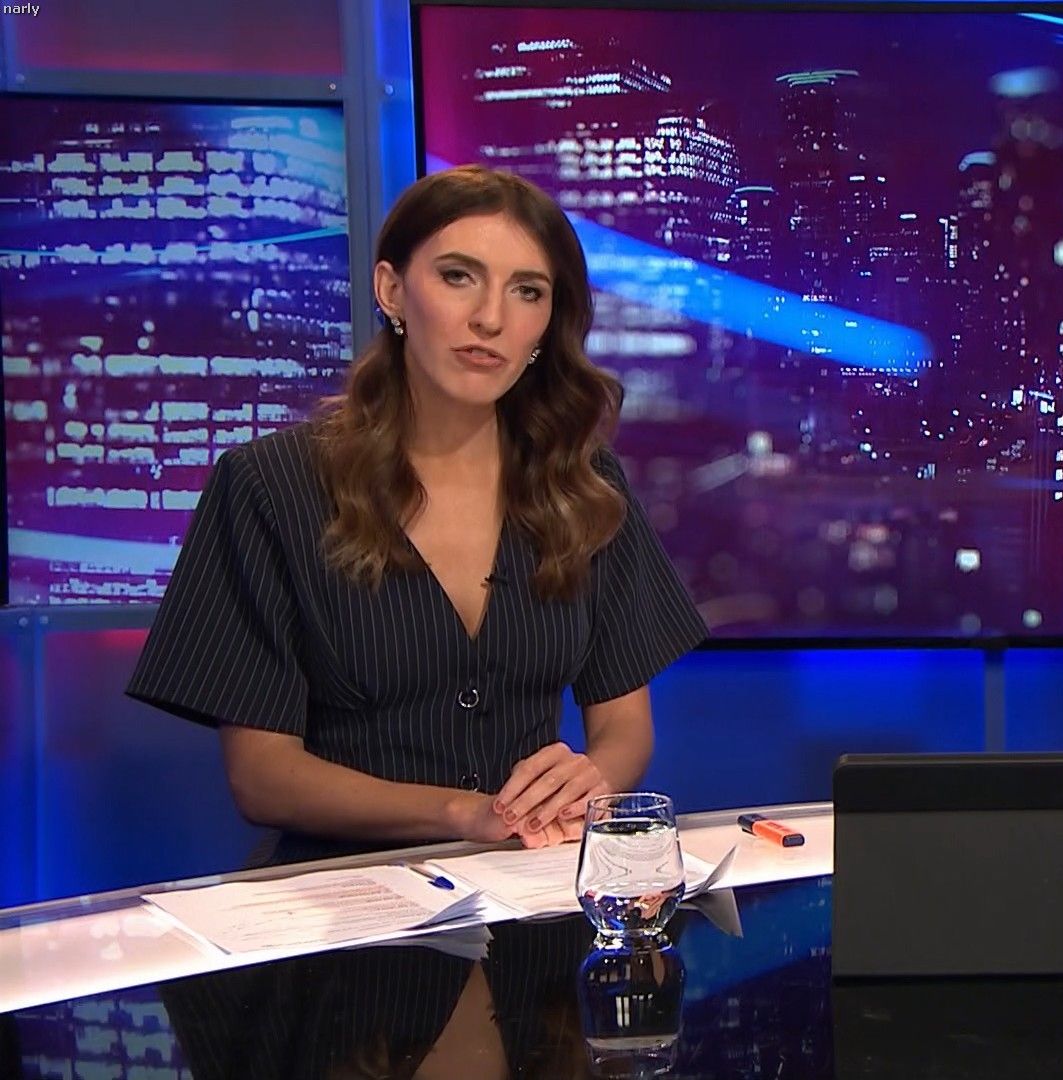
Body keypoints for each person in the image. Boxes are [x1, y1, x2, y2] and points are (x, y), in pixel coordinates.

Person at [126, 165, 708, 864]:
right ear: (392, 290)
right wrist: (463, 813)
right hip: (342, 902)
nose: (491, 317)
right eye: (459, 277)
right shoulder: (269, 486)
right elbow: (262, 777)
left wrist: (590, 780)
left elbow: (623, 727)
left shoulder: (583, 484)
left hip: (532, 888)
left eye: (527, 291)